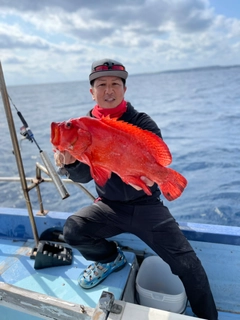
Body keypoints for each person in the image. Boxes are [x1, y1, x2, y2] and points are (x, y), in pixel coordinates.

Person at [54, 58, 218, 320]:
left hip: (147, 206)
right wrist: (70, 165)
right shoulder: (84, 127)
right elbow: (86, 176)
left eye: (115, 84)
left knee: (189, 265)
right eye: (102, 84)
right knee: (73, 230)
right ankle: (111, 259)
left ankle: (208, 317)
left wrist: (149, 175)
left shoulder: (141, 121)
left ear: (124, 89)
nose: (109, 90)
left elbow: (156, 160)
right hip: (109, 206)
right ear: (92, 91)